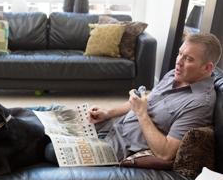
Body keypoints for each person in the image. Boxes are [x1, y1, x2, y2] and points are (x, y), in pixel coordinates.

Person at [88, 32, 222, 162]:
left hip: (118, 147)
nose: (178, 62)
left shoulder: (199, 104)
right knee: (71, 119)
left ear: (207, 67)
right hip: (113, 126)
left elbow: (166, 153)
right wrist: (108, 113)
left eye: (188, 59)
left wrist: (141, 113)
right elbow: (145, 101)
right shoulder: (173, 75)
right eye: (180, 54)